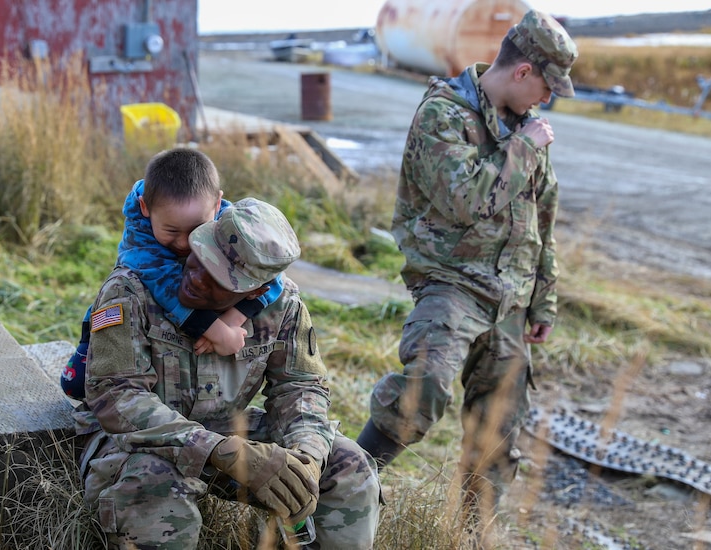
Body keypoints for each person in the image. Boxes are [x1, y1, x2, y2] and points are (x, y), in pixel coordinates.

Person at [356, 9, 578, 520]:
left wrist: (543, 298)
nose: (548, 100)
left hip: (511, 299)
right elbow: (466, 200)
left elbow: (541, 216)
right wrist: (523, 149)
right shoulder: (444, 114)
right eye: (547, 87)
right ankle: (335, 490)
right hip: (452, 282)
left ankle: (470, 534)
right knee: (422, 389)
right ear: (523, 72)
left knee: (499, 431)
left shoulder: (525, 126)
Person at [73, 197, 381, 549]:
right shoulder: (131, 289)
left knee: (348, 465)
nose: (196, 278)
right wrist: (223, 452)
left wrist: (306, 456)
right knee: (154, 484)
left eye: (219, 278)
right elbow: (117, 397)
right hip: (135, 443)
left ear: (257, 291)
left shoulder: (283, 305)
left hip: (224, 429)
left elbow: (302, 386)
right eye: (199, 256)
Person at [60, 148, 283, 398]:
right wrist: (217, 332)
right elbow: (167, 288)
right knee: (77, 384)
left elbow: (271, 275)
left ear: (217, 204)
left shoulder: (230, 223)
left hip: (207, 318)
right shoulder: (140, 242)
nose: (185, 243)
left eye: (197, 229)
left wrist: (234, 318)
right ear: (145, 207)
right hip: (125, 315)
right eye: (171, 231)